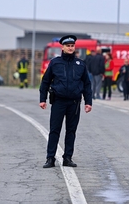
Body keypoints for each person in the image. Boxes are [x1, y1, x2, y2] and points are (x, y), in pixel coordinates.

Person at [39, 35, 92, 168]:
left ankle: (67, 158)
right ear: (62, 47)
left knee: (71, 131)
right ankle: (50, 158)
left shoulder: (80, 64)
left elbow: (87, 84)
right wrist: (42, 99)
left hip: (74, 103)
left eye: (72, 46)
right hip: (59, 102)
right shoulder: (55, 63)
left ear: (74, 47)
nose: (70, 48)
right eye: (68, 46)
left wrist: (88, 102)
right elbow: (45, 81)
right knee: (54, 130)